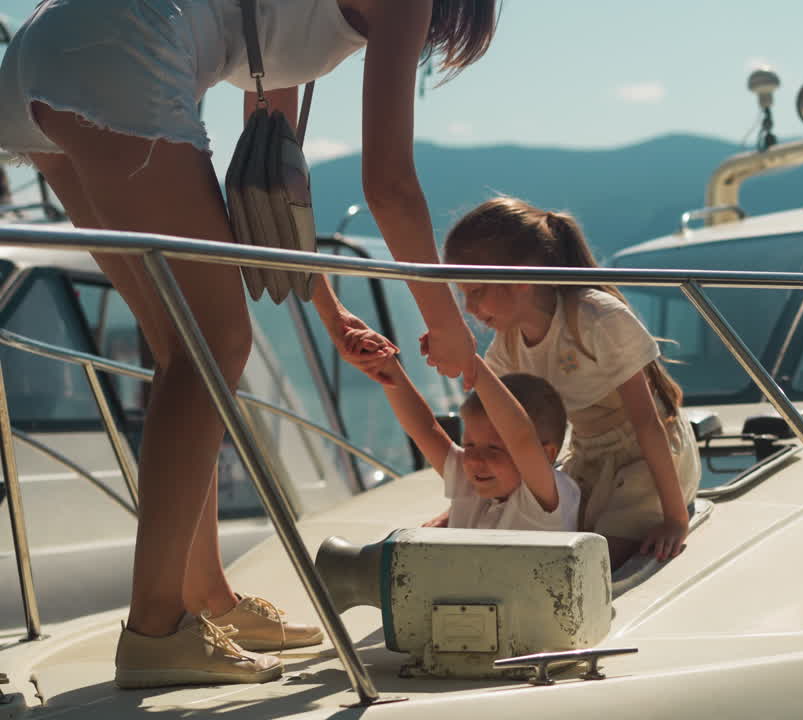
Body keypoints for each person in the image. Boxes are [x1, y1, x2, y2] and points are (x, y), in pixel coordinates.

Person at [0, 0, 495, 688]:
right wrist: (448, 327)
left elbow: (269, 187)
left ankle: (205, 597)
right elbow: (388, 184)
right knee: (210, 345)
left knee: (180, 345)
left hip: (45, 52)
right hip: (116, 48)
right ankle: (155, 630)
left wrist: (328, 310)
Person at [442, 196, 700, 569]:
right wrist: (461, 512)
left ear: (521, 278)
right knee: (549, 549)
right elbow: (498, 435)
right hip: (587, 455)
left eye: (476, 291)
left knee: (591, 563)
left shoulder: (597, 318)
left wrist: (676, 519)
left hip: (647, 459)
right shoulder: (508, 347)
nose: (469, 308)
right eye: (463, 295)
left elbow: (648, 422)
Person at [375, 347, 579, 532]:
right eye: (469, 445)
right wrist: (386, 366)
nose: (474, 460)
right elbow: (424, 429)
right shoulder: (469, 483)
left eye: (494, 449)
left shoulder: (545, 499)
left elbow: (521, 437)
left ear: (546, 454)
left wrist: (469, 363)